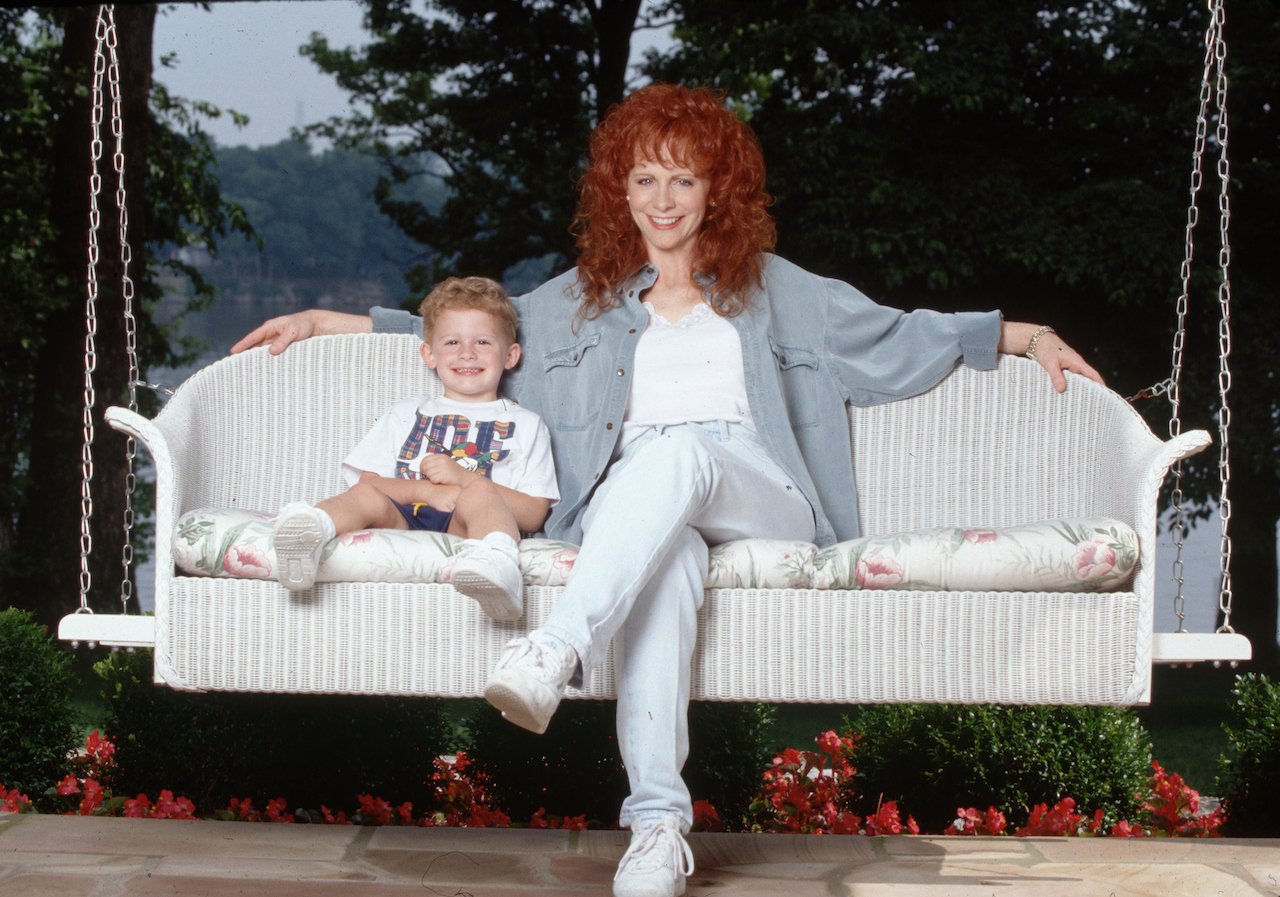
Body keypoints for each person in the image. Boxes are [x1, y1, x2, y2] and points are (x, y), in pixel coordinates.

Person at [234, 84, 1103, 897]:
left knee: (683, 451)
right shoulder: (581, 301)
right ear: (620, 189)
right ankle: (657, 826)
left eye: (683, 179)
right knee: (665, 568)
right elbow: (468, 331)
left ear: (716, 189)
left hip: (756, 488)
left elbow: (899, 334)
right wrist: (325, 321)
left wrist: (1027, 336)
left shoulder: (776, 288)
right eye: (644, 178)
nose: (662, 199)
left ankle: (557, 648)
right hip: (639, 503)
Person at [269, 276, 558, 624]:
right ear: (428, 354)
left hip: (466, 527)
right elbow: (370, 482)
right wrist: (425, 491)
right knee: (365, 494)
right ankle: (308, 531)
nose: (467, 353)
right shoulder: (407, 412)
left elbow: (533, 513)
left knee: (481, 490)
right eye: (452, 342)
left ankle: (495, 565)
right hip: (403, 518)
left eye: (483, 342)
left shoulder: (526, 424)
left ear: (510, 355)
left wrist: (464, 480)